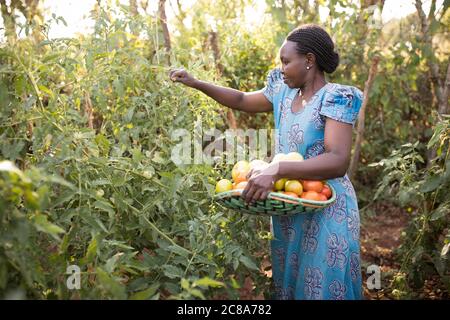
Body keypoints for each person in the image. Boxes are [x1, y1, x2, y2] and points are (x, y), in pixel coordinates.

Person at [169, 24, 363, 300]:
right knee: (291, 282)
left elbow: (337, 160)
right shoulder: (283, 91)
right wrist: (196, 82)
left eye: (286, 61)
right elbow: (240, 99)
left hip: (326, 208)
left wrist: (277, 168)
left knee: (321, 288)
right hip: (288, 205)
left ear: (309, 60)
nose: (281, 68)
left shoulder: (336, 98)